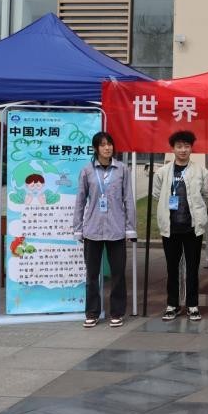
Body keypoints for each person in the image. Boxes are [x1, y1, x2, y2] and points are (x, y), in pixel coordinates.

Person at [73, 131, 137, 329]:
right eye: (102, 145)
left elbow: (128, 200)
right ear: (96, 148)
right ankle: (92, 313)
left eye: (109, 144)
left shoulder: (122, 169)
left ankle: (117, 312)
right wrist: (77, 229)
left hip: (116, 230)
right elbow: (80, 201)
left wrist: (130, 229)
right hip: (92, 230)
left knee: (118, 273)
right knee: (92, 275)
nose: (107, 148)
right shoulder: (87, 171)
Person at [154, 130, 208, 322]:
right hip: (170, 228)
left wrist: (200, 214)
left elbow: (207, 193)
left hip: (192, 227)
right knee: (172, 268)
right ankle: (172, 304)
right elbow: (156, 194)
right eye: (179, 146)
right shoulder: (162, 172)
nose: (183, 150)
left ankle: (192, 305)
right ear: (173, 148)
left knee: (192, 268)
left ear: (191, 148)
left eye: (187, 146)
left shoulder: (202, 171)